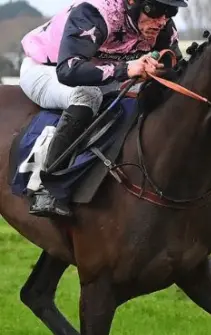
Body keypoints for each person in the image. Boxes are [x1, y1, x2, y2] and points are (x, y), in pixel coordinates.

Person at [19, 0, 187, 217]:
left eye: (169, 11)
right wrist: (127, 68)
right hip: (47, 69)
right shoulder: (95, 14)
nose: (162, 20)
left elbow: (176, 74)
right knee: (88, 96)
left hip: (99, 74)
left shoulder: (164, 27)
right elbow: (69, 71)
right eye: (154, 10)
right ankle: (48, 187)